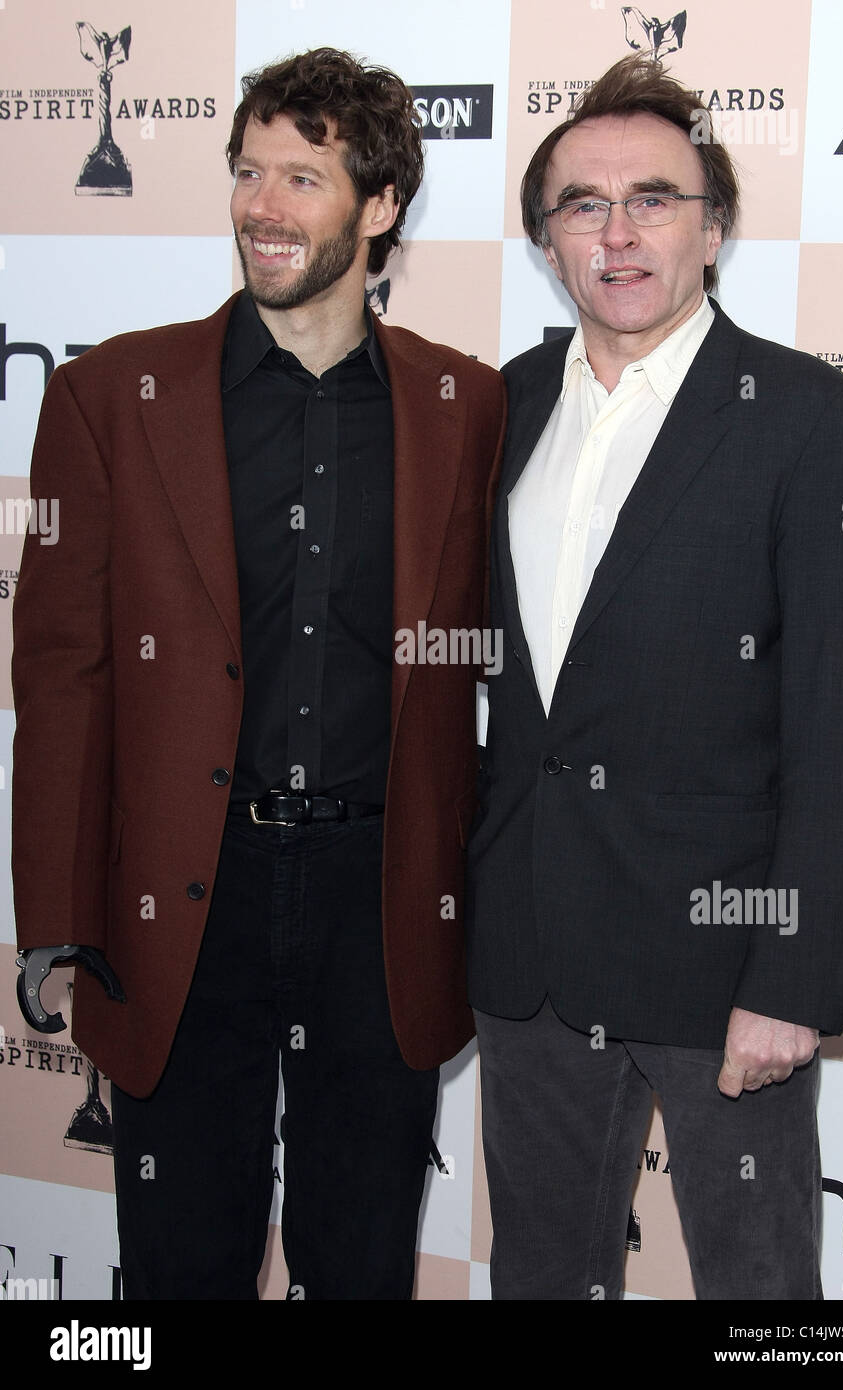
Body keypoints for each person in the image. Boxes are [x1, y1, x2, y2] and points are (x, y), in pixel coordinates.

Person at [11, 46, 505, 1300]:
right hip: (184, 900)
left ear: (380, 206)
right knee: (179, 1266)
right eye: (246, 172)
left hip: (379, 903)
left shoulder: (470, 407)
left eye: (302, 175)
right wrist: (56, 925)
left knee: (360, 1262)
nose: (260, 205)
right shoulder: (108, 395)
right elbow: (62, 676)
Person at [465, 53, 843, 1301]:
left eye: (652, 198)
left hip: (724, 977)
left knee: (760, 1295)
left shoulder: (805, 417)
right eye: (581, 206)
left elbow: (838, 713)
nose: (617, 231)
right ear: (546, 242)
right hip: (529, 964)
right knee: (542, 1281)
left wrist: (790, 977)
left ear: (713, 225)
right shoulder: (503, 405)